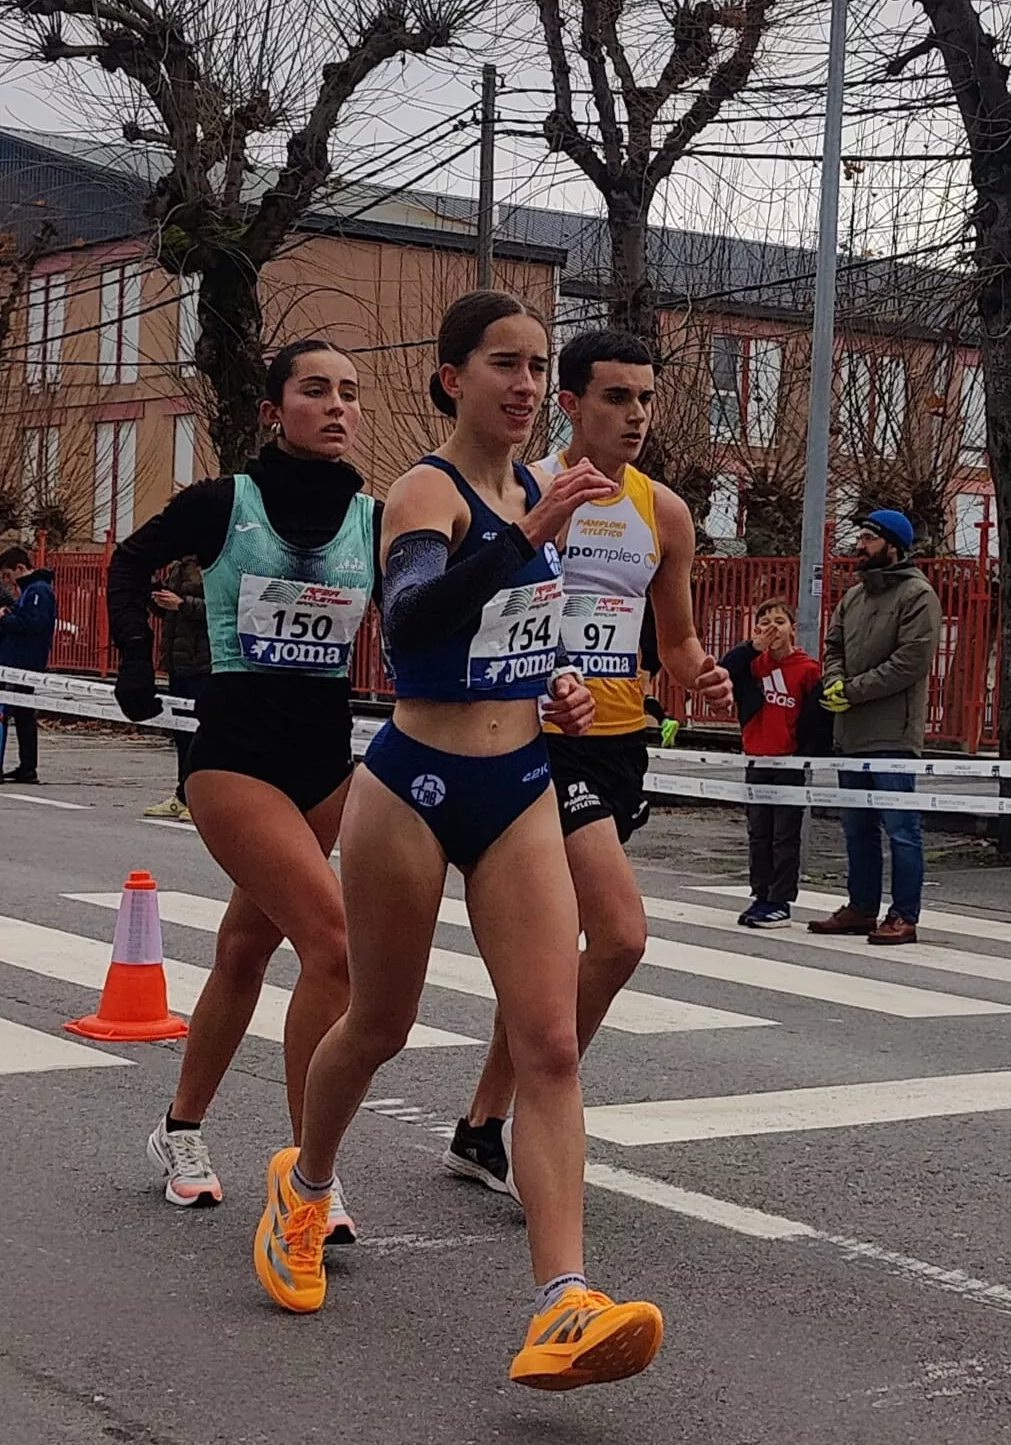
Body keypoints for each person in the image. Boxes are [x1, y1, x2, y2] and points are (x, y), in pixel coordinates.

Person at [254, 291, 664, 1392]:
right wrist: (525, 538)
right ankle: (304, 1187)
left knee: (549, 1044)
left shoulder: (538, 492)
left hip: (519, 784)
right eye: (504, 366)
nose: (526, 387)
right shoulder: (425, 492)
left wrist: (556, 681)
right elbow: (415, 622)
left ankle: (563, 1301)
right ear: (452, 379)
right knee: (378, 1024)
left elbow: (512, 629)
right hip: (413, 786)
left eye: (535, 367)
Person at [444, 328, 733, 1194]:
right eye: (615, 397)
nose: (635, 415)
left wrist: (703, 675)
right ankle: (541, 1110)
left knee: (553, 956)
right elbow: (483, 610)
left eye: (645, 398)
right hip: (538, 744)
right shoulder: (527, 493)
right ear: (569, 404)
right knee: (619, 934)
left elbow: (673, 641)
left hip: (618, 746)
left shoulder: (664, 512)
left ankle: (481, 1127)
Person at [107, 339, 380, 1241]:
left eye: (349, 393)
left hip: (325, 763)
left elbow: (428, 616)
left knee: (243, 950)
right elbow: (128, 563)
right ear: (273, 410)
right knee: (333, 946)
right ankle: (311, 1180)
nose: (336, 406)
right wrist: (135, 659)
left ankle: (179, 1129)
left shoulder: (375, 520)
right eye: (315, 390)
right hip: (233, 759)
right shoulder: (227, 503)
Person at [808, 509, 942, 946]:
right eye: (860, 537)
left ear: (893, 546)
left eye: (868, 538)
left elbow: (910, 662)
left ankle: (904, 914)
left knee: (901, 829)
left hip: (892, 735)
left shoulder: (918, 595)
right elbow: (833, 646)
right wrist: (833, 681)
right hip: (851, 733)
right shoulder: (854, 597)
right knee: (857, 827)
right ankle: (861, 907)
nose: (859, 545)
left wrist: (852, 690)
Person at [722, 599, 832, 928]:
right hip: (757, 757)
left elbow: (818, 718)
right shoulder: (754, 665)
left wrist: (805, 754)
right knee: (759, 832)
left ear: (792, 629)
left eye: (780, 622)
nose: (774, 628)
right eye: (766, 622)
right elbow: (725, 670)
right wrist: (752, 648)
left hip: (788, 761)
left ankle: (780, 900)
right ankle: (761, 893)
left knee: (785, 834)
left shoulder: (807, 669)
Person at [144, 555, 210, 821]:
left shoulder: (212, 565)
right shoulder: (177, 567)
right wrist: (155, 594)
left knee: (200, 734)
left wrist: (182, 604)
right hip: (178, 661)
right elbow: (167, 613)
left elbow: (223, 609)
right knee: (181, 734)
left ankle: (200, 800)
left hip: (202, 662)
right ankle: (182, 794)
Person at [0, 545, 57, 784]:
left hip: (23, 662)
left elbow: (32, 624)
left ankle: (27, 765)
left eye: (7, 575)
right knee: (23, 713)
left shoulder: (37, 590)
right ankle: (26, 766)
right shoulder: (30, 590)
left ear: (20, 568)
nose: (7, 581)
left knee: (8, 712)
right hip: (20, 660)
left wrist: (5, 618)